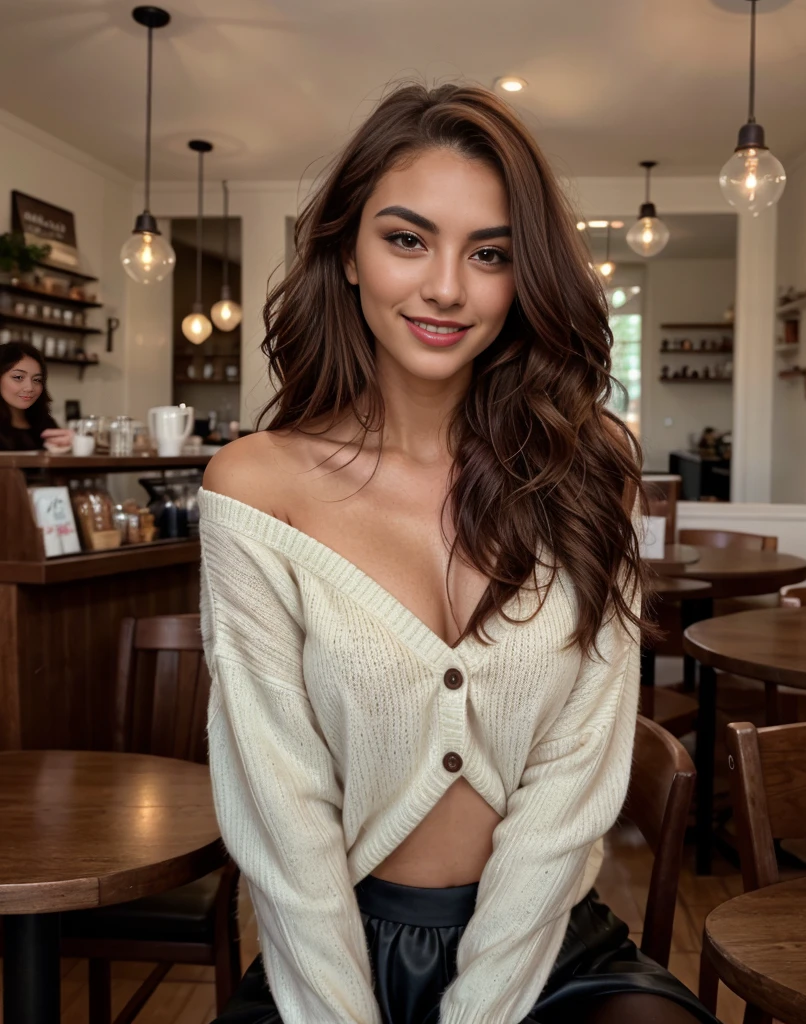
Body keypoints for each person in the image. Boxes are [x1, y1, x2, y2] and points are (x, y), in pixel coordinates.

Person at [199, 83, 719, 1024]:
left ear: (524, 282)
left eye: (490, 255)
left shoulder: (588, 472)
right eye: (407, 239)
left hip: (552, 945)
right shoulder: (255, 488)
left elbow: (574, 777)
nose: (446, 286)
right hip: (332, 950)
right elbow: (279, 803)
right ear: (348, 255)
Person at [0, 342, 74, 451]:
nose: (30, 387)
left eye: (37, 380)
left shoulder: (45, 424)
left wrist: (73, 447)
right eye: (18, 377)